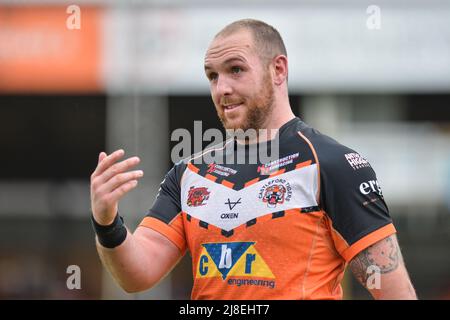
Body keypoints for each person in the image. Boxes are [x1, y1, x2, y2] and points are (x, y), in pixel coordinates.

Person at [90, 19, 417, 300]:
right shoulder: (189, 173)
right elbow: (137, 275)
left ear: (278, 69)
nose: (222, 88)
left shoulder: (332, 164)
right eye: (212, 76)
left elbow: (394, 292)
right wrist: (106, 221)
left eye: (235, 70)